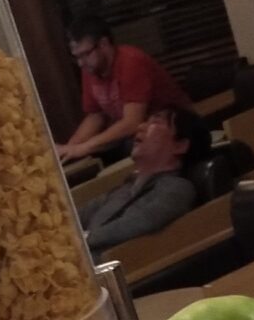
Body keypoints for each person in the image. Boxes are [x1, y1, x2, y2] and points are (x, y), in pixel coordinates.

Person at [55, 14, 190, 162]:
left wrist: (84, 147)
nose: (81, 63)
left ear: (103, 44)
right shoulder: (90, 69)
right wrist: (69, 148)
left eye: (85, 54)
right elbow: (96, 116)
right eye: (77, 57)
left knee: (126, 147)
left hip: (173, 129)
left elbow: (132, 123)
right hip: (143, 131)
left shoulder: (131, 62)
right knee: (91, 154)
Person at [80, 107, 210, 253]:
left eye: (156, 122)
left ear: (180, 145)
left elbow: (138, 224)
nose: (140, 127)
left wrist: (79, 242)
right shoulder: (124, 188)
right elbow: (74, 219)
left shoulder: (177, 188)